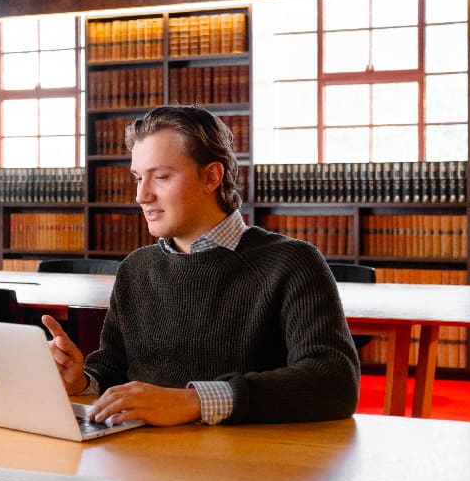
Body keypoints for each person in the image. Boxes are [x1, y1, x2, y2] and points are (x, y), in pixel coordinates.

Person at [46, 105, 360, 426]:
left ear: (211, 176)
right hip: (139, 458)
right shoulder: (135, 268)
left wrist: (194, 401)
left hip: (246, 463)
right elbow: (114, 369)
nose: (142, 195)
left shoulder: (293, 263)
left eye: (161, 176)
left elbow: (334, 382)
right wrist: (82, 381)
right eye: (138, 178)